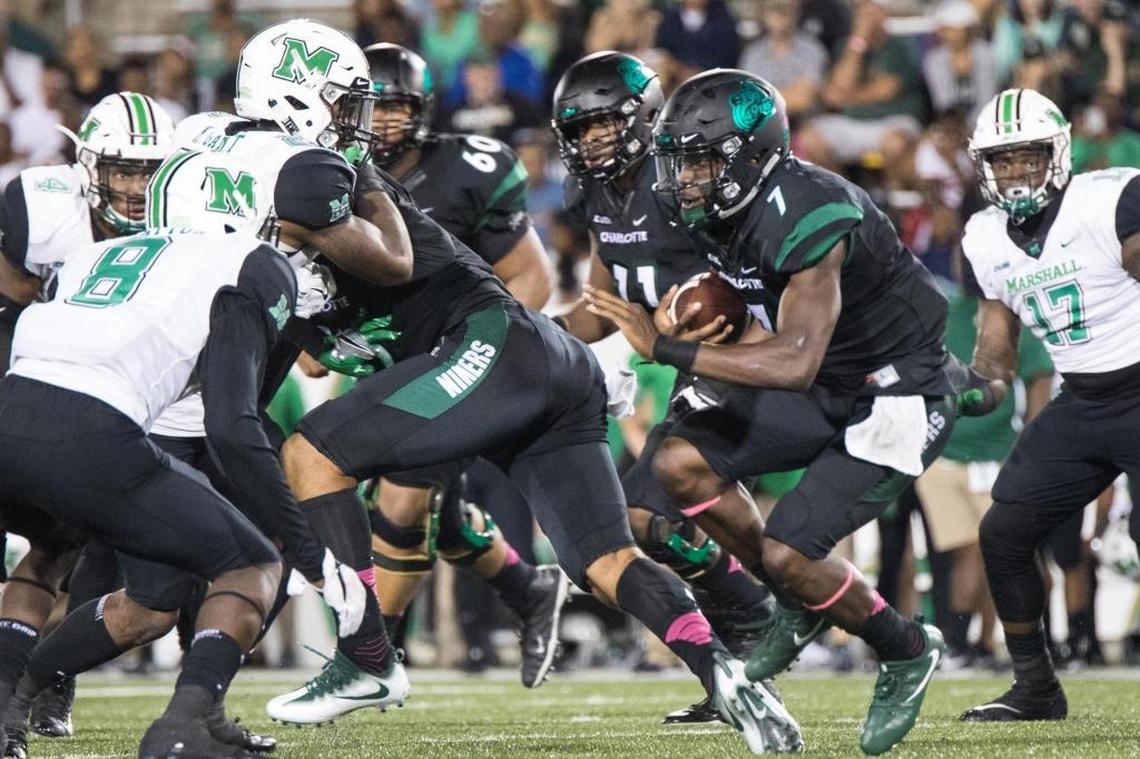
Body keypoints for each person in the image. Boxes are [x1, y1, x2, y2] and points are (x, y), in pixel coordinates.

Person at [262, 51, 803, 759]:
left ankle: (366, 654)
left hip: (496, 344)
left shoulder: (336, 193)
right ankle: (730, 677)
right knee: (605, 560)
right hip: (542, 360)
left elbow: (396, 269)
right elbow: (312, 349)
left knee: (312, 452)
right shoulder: (312, 236)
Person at [585, 69, 984, 755]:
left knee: (792, 550)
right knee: (668, 474)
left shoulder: (810, 208)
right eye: (679, 160)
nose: (684, 179)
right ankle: (784, 603)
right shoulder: (714, 210)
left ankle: (907, 647)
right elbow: (769, 329)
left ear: (749, 155)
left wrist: (670, 348)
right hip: (826, 381)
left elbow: (794, 358)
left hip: (895, 390)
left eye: (701, 160)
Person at [0, 146, 327, 758]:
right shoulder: (246, 257)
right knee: (254, 563)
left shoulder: (95, 251)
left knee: (51, 553)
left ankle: (8, 705)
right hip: (115, 427)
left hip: (18, 402)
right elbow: (233, 421)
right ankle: (182, 727)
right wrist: (309, 551)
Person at [550, 51, 778, 725]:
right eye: (579, 129)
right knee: (647, 519)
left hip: (742, 353)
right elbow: (603, 300)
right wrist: (534, 333)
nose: (591, 140)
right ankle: (751, 624)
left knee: (652, 510)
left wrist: (709, 312)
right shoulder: (595, 192)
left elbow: (748, 272)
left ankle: (771, 606)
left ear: (644, 118)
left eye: (602, 125)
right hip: (687, 363)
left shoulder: (682, 181)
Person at [335, 41, 565, 688]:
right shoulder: (326, 175)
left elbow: (531, 276)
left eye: (395, 108)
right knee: (441, 512)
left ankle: (374, 658)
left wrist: (474, 350)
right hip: (388, 359)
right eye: (368, 109)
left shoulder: (466, 168)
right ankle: (527, 589)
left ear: (424, 111)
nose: (380, 123)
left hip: (461, 357)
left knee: (402, 499)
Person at [958, 88, 1140, 721]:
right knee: (1005, 533)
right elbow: (997, 348)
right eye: (1001, 160)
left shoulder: (1105, 201)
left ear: (1056, 155)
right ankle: (1036, 686)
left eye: (1027, 157)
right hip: (1084, 398)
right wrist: (967, 388)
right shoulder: (984, 237)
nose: (1014, 172)